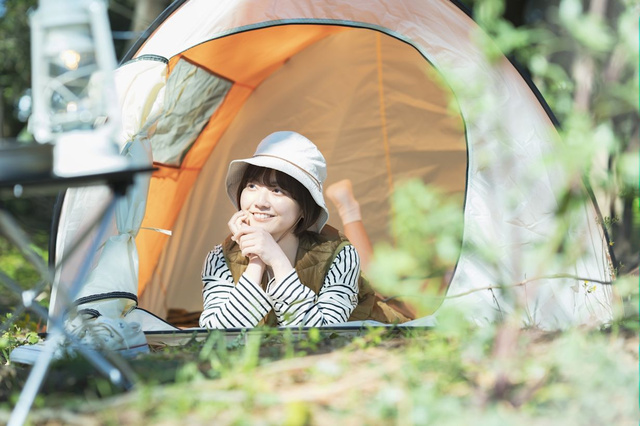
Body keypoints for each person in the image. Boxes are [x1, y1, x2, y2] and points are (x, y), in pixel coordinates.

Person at [200, 131, 384, 329]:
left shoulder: (339, 255)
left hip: (378, 333)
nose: (260, 202)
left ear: (304, 207)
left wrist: (277, 261)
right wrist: (256, 261)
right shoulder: (220, 258)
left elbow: (323, 335)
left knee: (384, 288)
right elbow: (218, 335)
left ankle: (350, 211)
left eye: (277, 190)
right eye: (252, 186)